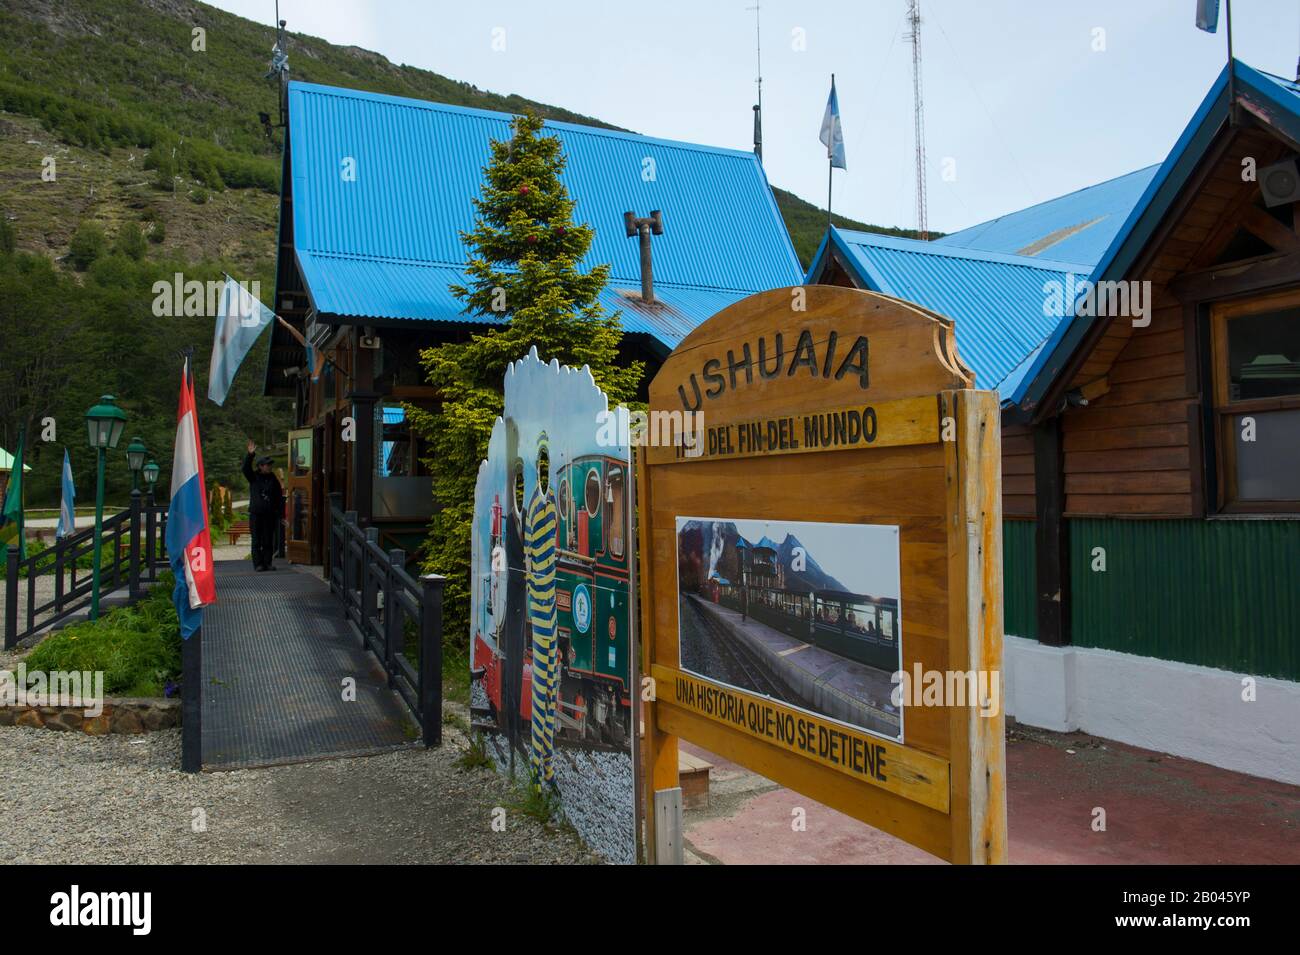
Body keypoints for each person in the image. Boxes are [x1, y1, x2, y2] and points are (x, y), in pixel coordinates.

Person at [243, 440, 284, 572]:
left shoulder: (273, 479)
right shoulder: (253, 477)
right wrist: (250, 455)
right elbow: (245, 469)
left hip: (269, 515)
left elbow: (278, 497)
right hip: (256, 514)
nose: (269, 467)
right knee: (256, 540)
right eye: (267, 465)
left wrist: (280, 514)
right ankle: (258, 564)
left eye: (270, 465)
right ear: (260, 466)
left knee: (268, 540)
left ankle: (268, 563)